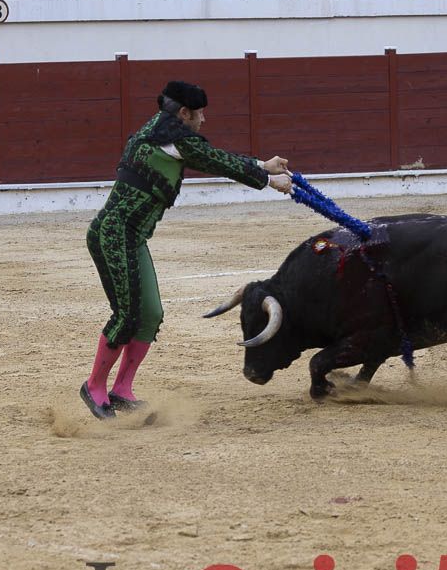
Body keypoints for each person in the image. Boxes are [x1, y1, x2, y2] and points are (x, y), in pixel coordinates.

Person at [80, 81, 293, 420]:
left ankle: (121, 389)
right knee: (127, 315)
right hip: (113, 235)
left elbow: (213, 157)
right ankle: (94, 386)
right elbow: (216, 161)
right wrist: (268, 180)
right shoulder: (174, 138)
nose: (203, 120)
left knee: (149, 314)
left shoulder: (163, 132)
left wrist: (262, 165)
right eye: (200, 114)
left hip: (131, 237)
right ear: (184, 113)